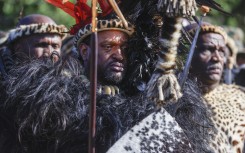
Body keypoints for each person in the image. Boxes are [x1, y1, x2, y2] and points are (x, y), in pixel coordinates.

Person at [187, 22, 245, 153]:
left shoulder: (241, 99)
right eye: (208, 49)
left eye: (221, 51)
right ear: (187, 54)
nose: (217, 58)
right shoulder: (168, 99)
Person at [1, 14, 67, 73]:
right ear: (18, 49)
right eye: (42, 45)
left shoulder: (69, 82)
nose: (50, 52)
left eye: (55, 46)